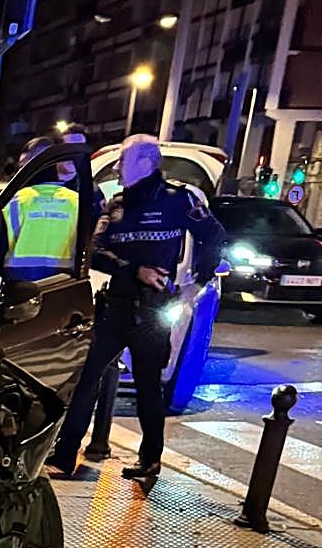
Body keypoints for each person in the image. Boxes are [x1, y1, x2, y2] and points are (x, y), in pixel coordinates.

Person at [47, 135, 227, 481]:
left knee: (149, 386)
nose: (116, 168)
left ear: (145, 162)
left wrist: (198, 278)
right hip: (116, 305)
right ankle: (66, 454)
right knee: (86, 380)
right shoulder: (116, 205)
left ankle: (149, 460)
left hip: (154, 310)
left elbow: (215, 236)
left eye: (122, 161)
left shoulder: (179, 200)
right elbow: (94, 251)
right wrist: (134, 270)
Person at [0, 136, 79, 282]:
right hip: (62, 282)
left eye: (23, 166)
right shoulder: (76, 201)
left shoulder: (15, 200)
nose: (19, 172)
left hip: (18, 284)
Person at [58, 122, 106, 215]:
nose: (75, 154)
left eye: (80, 148)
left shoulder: (91, 189)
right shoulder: (43, 183)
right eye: (69, 148)